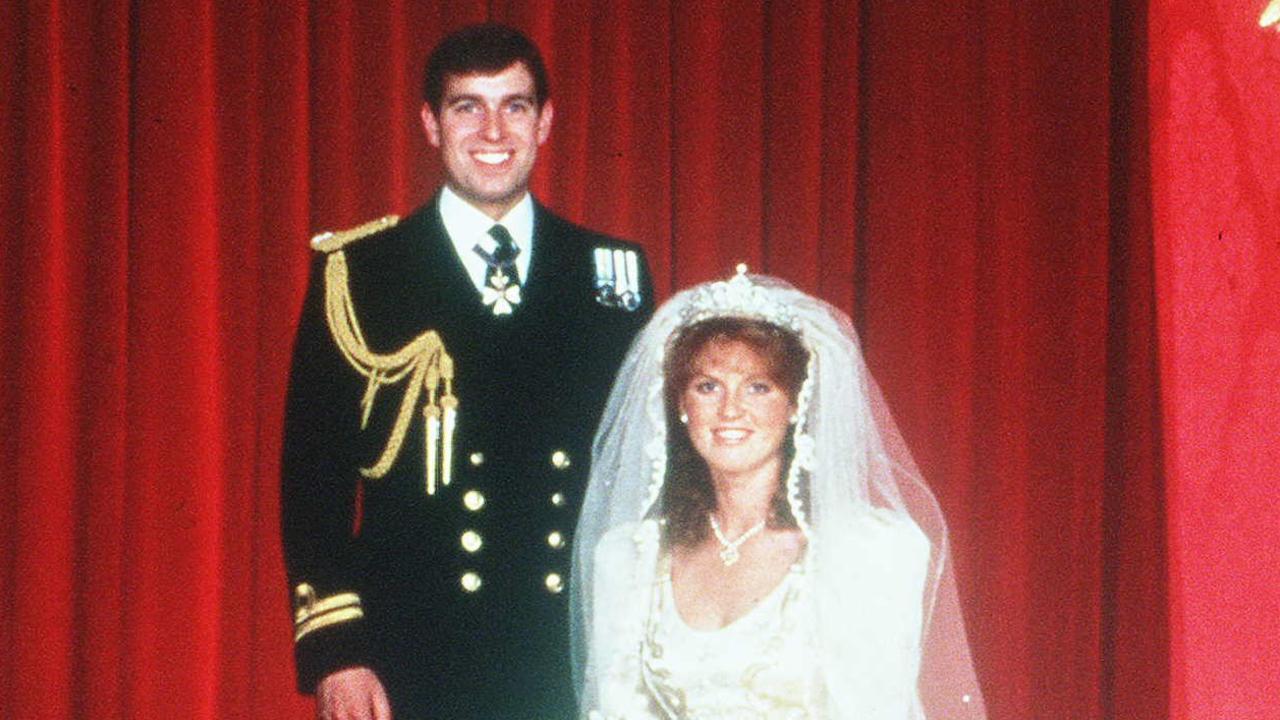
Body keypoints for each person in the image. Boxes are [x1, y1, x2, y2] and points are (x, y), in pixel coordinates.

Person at [281, 23, 652, 720]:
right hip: (409, 659)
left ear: (545, 122)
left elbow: (649, 472)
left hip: (568, 653)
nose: (493, 130)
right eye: (466, 106)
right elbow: (313, 480)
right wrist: (338, 651)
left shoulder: (612, 277)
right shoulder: (359, 273)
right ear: (430, 123)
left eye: (513, 105)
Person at [571, 268, 986, 719]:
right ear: (680, 406)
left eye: (759, 387)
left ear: (794, 406)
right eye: (708, 387)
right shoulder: (628, 557)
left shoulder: (866, 550)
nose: (731, 410)